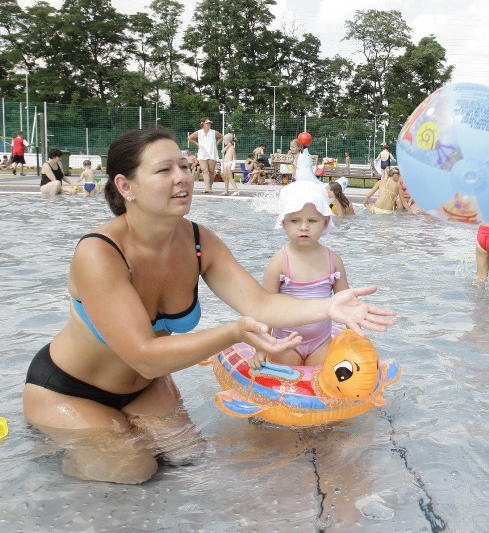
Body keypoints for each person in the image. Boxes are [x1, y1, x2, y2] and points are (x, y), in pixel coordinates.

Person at [22, 128, 395, 484]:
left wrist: (328, 308)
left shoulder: (199, 241)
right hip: (69, 388)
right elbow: (144, 355)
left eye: (184, 165)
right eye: (164, 170)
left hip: (144, 388)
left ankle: (115, 430)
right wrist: (232, 333)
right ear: (126, 186)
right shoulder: (99, 253)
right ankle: (51, 449)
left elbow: (262, 303)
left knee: (187, 457)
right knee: (132, 469)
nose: (182, 177)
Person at [249, 181, 349, 368]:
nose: (304, 227)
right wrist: (261, 348)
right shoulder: (280, 262)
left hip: (321, 342)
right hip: (285, 343)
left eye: (312, 220)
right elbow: (264, 308)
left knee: (324, 390)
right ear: (283, 221)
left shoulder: (333, 260)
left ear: (325, 221)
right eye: (295, 221)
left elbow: (347, 304)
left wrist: (357, 342)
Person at [187, 117, 222, 194]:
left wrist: (216, 144)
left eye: (209, 123)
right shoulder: (199, 132)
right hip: (202, 152)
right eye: (207, 123)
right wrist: (197, 144)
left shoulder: (213, 132)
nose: (209, 124)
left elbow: (221, 137)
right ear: (202, 124)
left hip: (212, 152)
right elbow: (190, 138)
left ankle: (210, 187)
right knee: (204, 169)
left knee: (211, 171)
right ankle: (207, 187)